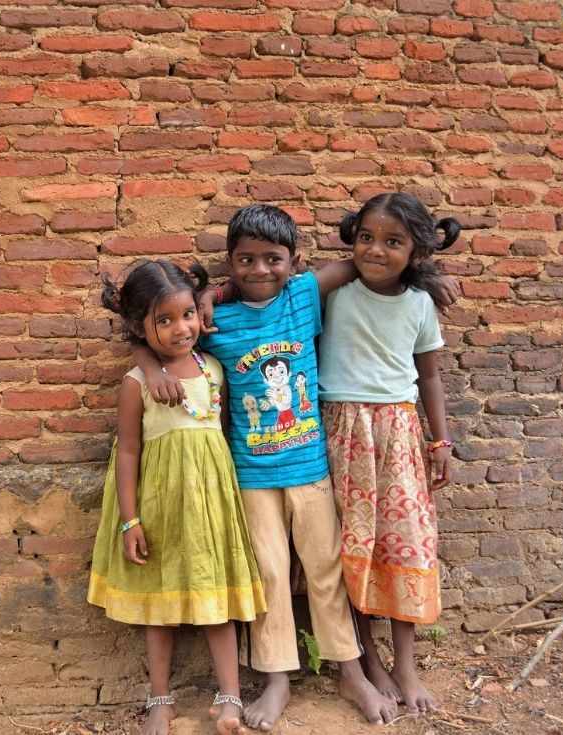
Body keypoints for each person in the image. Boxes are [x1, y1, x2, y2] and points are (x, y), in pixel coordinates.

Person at [138, 205, 458, 730]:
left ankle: (349, 669)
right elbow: (153, 338)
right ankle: (278, 677)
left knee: (326, 570)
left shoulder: (306, 295)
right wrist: (198, 307)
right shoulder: (216, 322)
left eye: (273, 260)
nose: (260, 270)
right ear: (228, 263)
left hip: (310, 466)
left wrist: (431, 274)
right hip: (251, 475)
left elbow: (368, 260)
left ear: (295, 262)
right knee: (268, 575)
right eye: (245, 260)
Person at [88, 259, 268, 735]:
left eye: (186, 314)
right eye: (162, 321)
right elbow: (127, 453)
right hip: (161, 506)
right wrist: (131, 520)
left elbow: (222, 436)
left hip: (211, 505)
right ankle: (160, 701)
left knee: (217, 599)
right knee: (158, 605)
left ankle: (229, 697)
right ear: (138, 327)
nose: (179, 328)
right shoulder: (136, 384)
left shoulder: (213, 370)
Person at [318, 193, 458, 715]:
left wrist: (439, 441)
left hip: (397, 434)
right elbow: (289, 289)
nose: (375, 250)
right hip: (341, 433)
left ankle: (405, 664)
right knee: (351, 547)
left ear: (416, 250)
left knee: (402, 548)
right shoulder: (336, 290)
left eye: (393, 242)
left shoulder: (420, 304)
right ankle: (368, 661)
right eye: (366, 238)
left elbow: (430, 376)